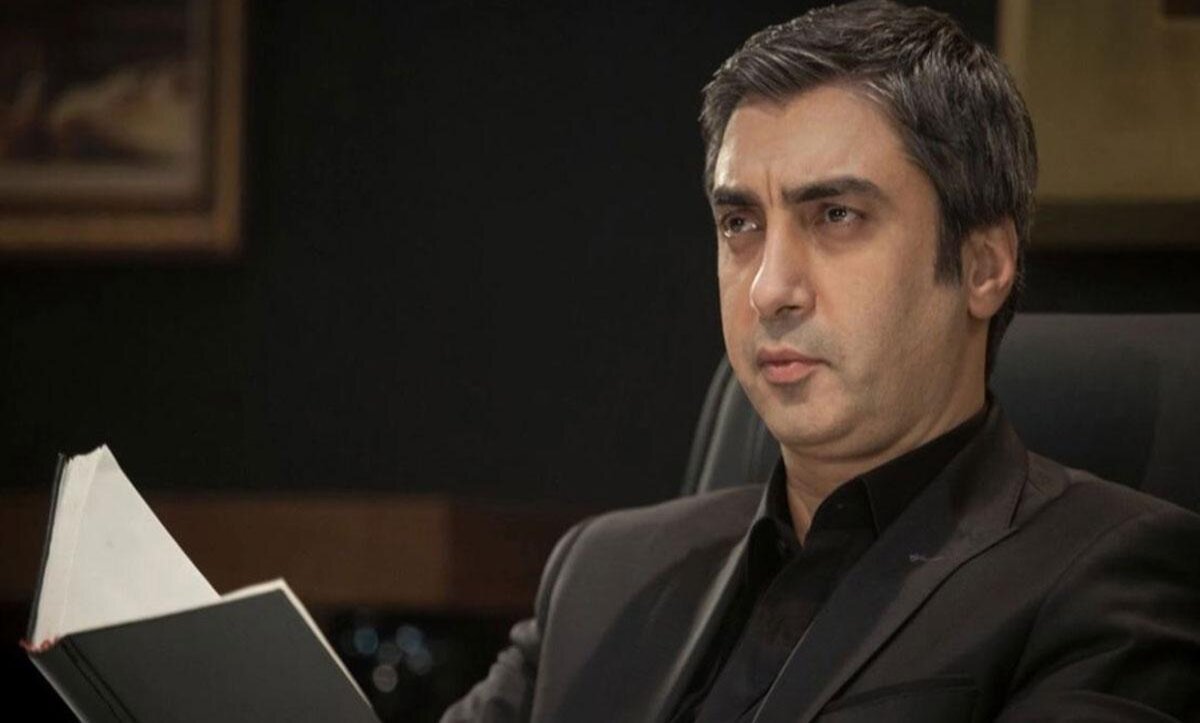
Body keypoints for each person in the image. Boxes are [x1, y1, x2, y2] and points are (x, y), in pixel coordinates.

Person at [442, 2, 1200, 721]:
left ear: (983, 266)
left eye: (836, 216)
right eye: (740, 223)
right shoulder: (601, 574)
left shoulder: (1113, 577)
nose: (769, 289)